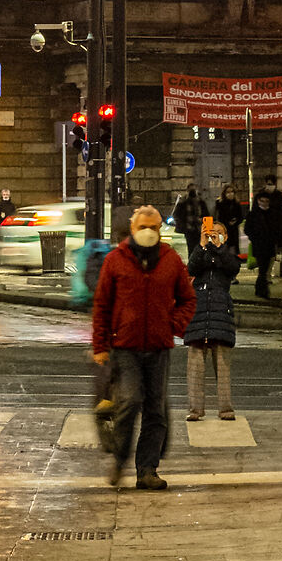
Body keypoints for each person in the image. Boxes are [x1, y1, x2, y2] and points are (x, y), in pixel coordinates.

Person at [92, 202, 196, 490]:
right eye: (143, 227)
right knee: (130, 400)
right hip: (124, 347)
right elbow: (102, 304)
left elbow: (188, 299)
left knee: (155, 410)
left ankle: (147, 469)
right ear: (132, 229)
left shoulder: (171, 260)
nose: (148, 232)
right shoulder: (116, 259)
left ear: (160, 229)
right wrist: (100, 344)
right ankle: (120, 457)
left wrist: (173, 324)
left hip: (159, 347)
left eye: (153, 227)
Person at [184, 216, 239, 420]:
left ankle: (226, 409)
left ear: (225, 236)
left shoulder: (227, 253)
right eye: (210, 230)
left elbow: (232, 268)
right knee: (195, 365)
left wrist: (218, 247)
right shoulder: (201, 252)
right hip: (199, 312)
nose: (213, 233)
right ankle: (195, 410)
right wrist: (202, 244)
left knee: (223, 365)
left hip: (220, 313)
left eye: (218, 232)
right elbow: (191, 268)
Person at [244, 180, 282, 299]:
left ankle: (260, 289)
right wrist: (255, 237)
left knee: (265, 269)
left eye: (266, 201)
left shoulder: (272, 214)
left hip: (269, 245)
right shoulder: (253, 214)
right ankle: (262, 290)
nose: (264, 203)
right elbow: (248, 229)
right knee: (263, 269)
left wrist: (277, 240)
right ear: (258, 201)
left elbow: (278, 228)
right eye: (262, 201)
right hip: (259, 245)